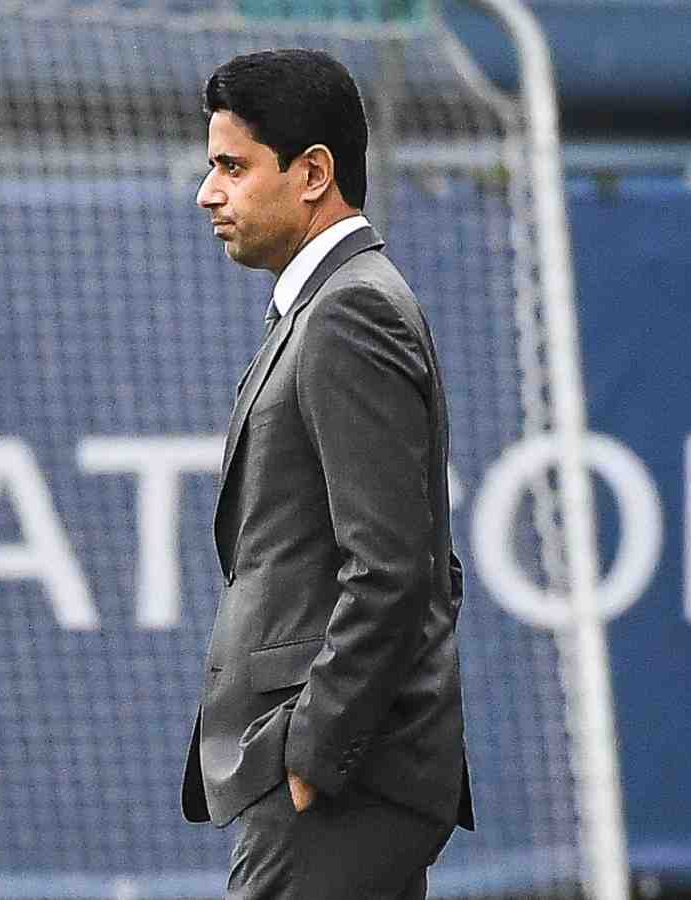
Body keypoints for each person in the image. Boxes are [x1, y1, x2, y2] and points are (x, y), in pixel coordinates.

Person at [180, 49, 475, 899]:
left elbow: (393, 566)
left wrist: (313, 752)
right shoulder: (330, 303)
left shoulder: (351, 309)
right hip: (339, 780)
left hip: (337, 784)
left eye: (232, 166)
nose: (210, 192)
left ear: (313, 173)